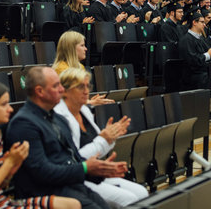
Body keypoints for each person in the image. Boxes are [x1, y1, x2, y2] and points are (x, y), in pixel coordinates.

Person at [6, 67, 126, 208]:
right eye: (56, 86)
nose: (62, 90)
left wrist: (100, 170)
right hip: (45, 193)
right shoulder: (24, 124)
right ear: (40, 91)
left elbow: (74, 159)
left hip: (71, 186)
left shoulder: (58, 119)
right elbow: (42, 172)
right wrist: (85, 168)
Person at [0, 80, 80, 209]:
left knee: (72, 204)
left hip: (1, 202)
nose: (10, 109)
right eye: (3, 104)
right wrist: (8, 163)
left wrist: (11, 169)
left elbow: (0, 185)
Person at [55, 68, 149, 208]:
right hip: (78, 178)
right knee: (129, 199)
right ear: (65, 90)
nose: (87, 91)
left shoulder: (84, 110)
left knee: (142, 193)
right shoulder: (59, 117)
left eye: (88, 86)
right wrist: (103, 140)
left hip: (96, 172)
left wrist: (111, 136)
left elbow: (101, 147)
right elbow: (73, 159)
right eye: (81, 86)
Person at [178, 7, 211, 89]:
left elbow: (209, 53)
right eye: (202, 22)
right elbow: (192, 61)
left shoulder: (201, 39)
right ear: (194, 22)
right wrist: (209, 54)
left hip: (203, 73)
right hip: (192, 77)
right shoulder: (186, 40)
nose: (204, 24)